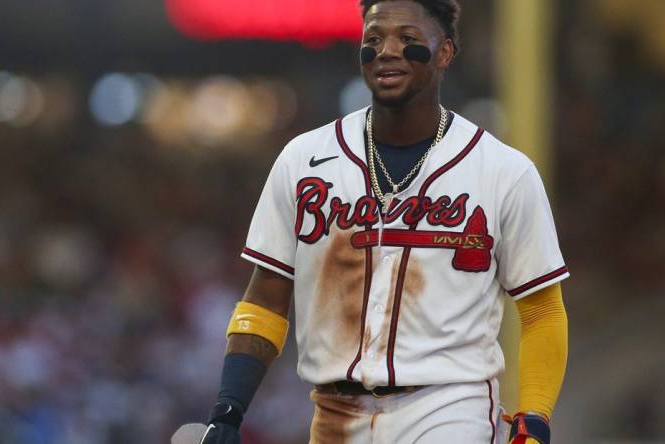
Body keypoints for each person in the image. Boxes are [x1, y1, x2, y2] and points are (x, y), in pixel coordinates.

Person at [200, 1, 569, 443]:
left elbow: (542, 308)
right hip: (335, 412)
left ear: (445, 52)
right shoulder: (305, 159)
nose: (387, 50)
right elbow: (265, 299)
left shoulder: (504, 171)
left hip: (449, 407)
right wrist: (229, 408)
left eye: (408, 40)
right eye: (373, 40)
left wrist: (535, 417)